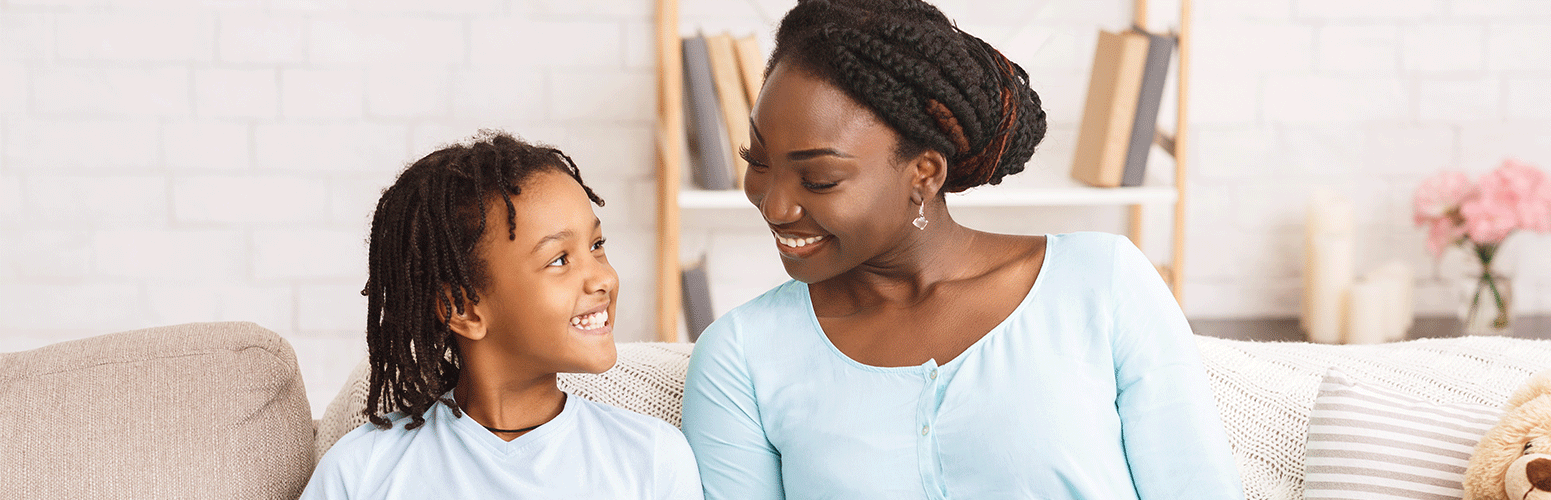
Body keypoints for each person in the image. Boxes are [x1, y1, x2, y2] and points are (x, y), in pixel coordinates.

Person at [679, 1, 1244, 499]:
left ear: (924, 173)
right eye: (757, 161)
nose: (774, 205)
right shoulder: (740, 358)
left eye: (820, 179)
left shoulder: (1103, 284)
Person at [302, 132, 702, 500]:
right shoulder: (362, 472)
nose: (604, 277)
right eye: (560, 259)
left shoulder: (650, 458)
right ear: (463, 308)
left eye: (597, 245)